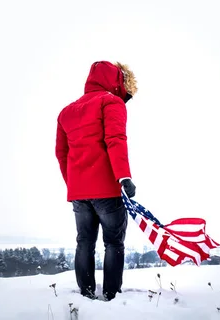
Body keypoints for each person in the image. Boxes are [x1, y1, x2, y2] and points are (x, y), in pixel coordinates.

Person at [55, 60, 138, 301]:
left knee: (84, 242)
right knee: (113, 243)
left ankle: (86, 294)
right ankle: (112, 296)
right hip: (107, 189)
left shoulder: (66, 112)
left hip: (79, 193)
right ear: (115, 81)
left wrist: (73, 184)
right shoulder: (111, 102)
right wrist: (124, 177)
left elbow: (62, 154)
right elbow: (115, 139)